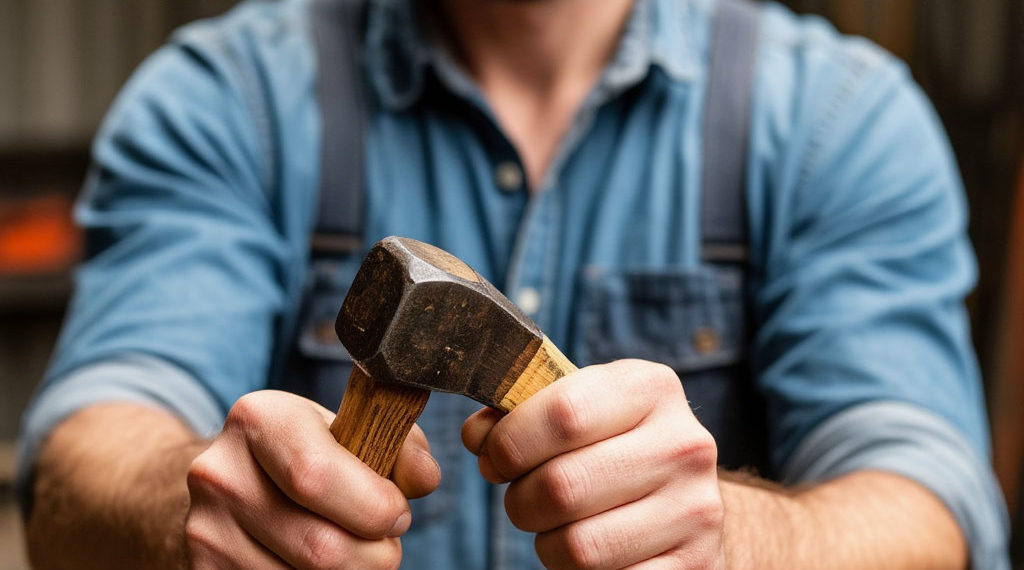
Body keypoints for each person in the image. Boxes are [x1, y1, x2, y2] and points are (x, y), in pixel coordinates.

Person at [16, 0, 1010, 567]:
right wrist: (179, 508)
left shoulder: (839, 119)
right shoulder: (228, 101)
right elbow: (76, 463)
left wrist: (734, 542)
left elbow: (929, 505)